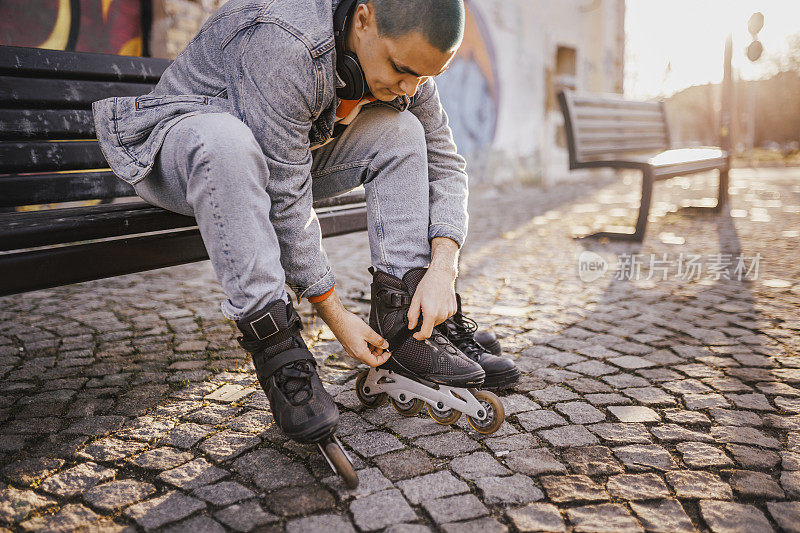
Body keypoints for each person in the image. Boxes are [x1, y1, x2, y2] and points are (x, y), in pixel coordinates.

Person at [93, 0, 518, 444]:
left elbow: (445, 162)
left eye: (423, 77)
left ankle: (406, 319)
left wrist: (442, 267)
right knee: (227, 141)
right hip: (180, 149)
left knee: (404, 129)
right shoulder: (285, 39)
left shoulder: (405, 66)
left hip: (273, 155)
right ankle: (277, 345)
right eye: (400, 69)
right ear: (363, 18)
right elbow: (285, 194)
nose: (409, 86)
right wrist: (334, 314)